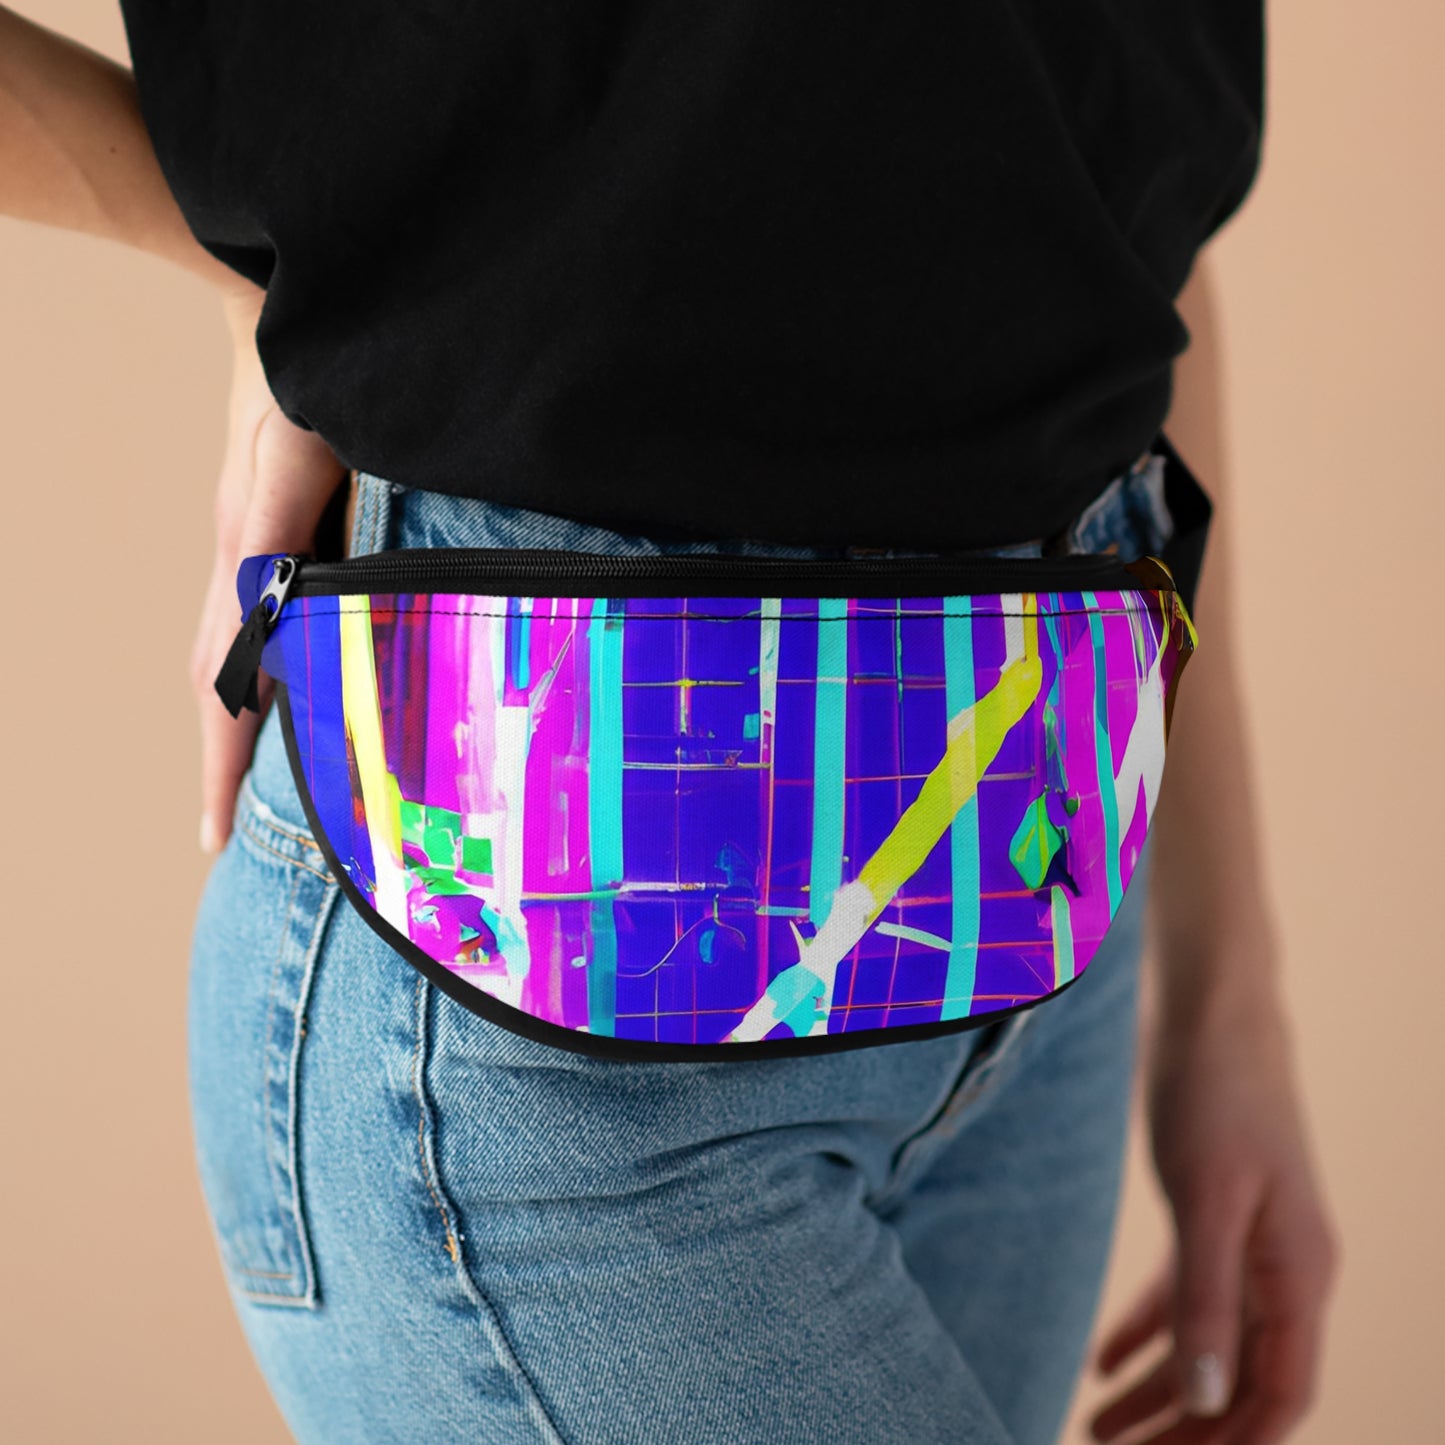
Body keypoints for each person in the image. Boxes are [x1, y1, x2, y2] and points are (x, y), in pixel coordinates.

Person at [1, 6, 1338, 1442]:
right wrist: (257, 280)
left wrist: (1227, 992)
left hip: (1046, 878)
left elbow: (1119, 188)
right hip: (545, 986)